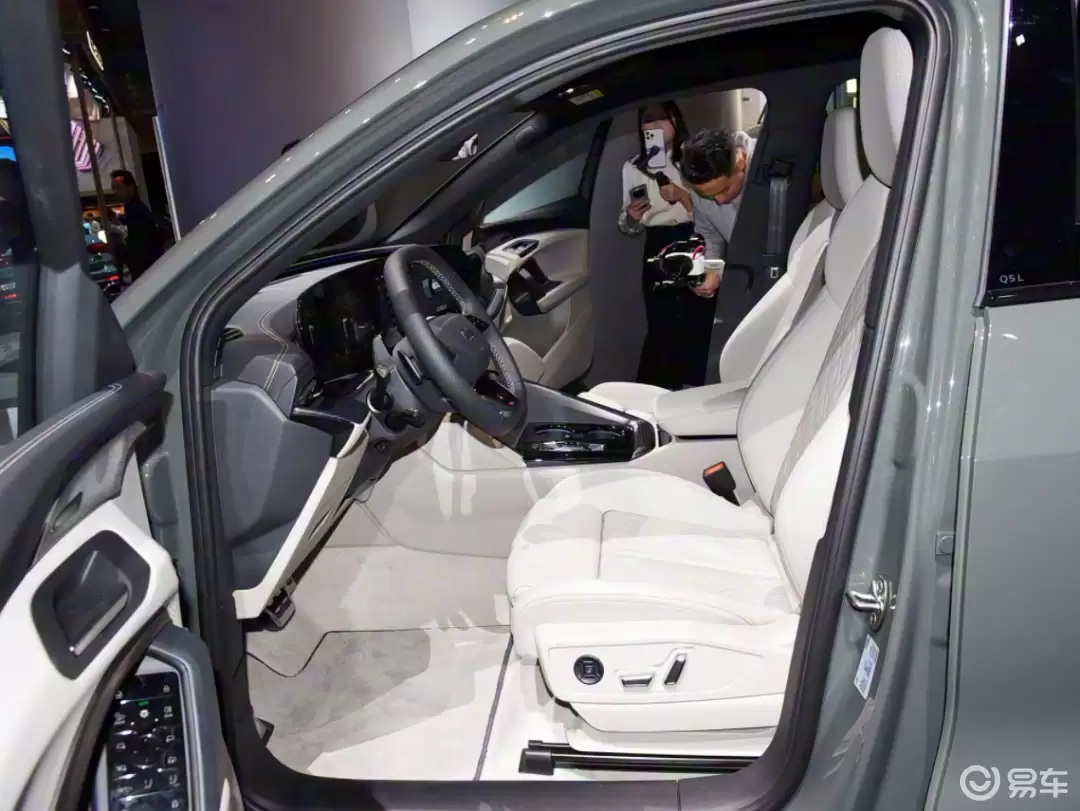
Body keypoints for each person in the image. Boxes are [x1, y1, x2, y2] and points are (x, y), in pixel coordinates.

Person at [617, 102, 716, 389]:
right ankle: (658, 391)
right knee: (661, 322)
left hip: (695, 237)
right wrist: (632, 217)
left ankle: (694, 389)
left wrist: (683, 195)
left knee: (697, 318)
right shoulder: (633, 167)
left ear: (675, 120)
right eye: (647, 120)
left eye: (661, 118)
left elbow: (714, 210)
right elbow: (626, 224)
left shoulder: (694, 158)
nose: (654, 126)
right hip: (657, 243)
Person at [678, 127, 758, 299]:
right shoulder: (699, 190)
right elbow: (709, 234)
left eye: (724, 189)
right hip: (751, 279)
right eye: (707, 196)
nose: (719, 201)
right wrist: (711, 270)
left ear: (741, 162)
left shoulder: (769, 169)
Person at [109, 169, 166, 283]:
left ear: (130, 188)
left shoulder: (136, 210)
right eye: (113, 188)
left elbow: (140, 243)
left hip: (147, 269)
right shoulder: (131, 208)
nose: (115, 192)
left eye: (118, 188)